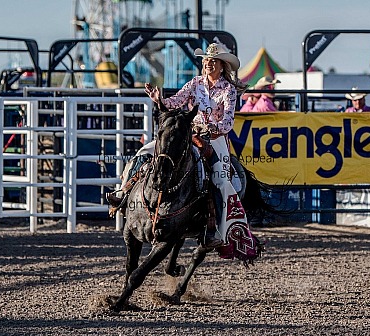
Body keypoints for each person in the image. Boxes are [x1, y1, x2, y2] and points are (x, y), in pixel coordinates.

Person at [108, 43, 259, 251]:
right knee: (145, 153)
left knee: (221, 180)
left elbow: (227, 122)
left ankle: (213, 228)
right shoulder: (195, 83)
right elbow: (176, 101)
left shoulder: (228, 90)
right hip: (190, 133)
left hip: (215, 139)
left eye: (213, 61)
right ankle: (123, 192)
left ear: (222, 65)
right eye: (206, 60)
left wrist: (208, 126)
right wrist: (159, 99)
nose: (208, 64)